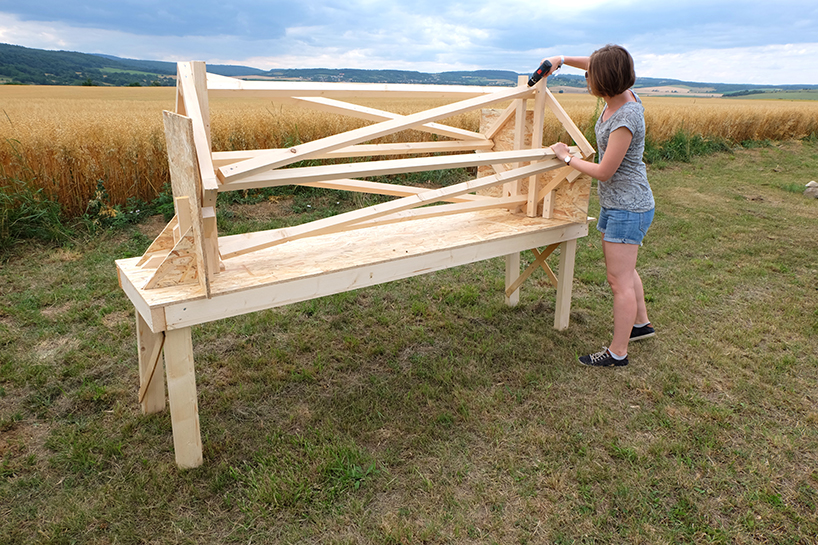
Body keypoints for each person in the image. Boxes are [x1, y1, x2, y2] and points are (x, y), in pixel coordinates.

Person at [544, 45, 655, 367]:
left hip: (627, 206)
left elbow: (605, 171)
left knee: (618, 280)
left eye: (590, 74)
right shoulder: (622, 95)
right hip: (619, 203)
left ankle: (618, 353)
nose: (586, 76)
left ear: (604, 80)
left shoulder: (625, 117)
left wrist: (567, 158)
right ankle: (640, 325)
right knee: (627, 270)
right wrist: (560, 60)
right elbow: (598, 63)